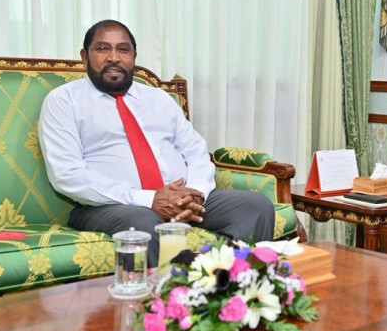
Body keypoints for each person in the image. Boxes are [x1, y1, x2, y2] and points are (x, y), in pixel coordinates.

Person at [38, 19, 275, 267]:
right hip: (110, 206)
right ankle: (169, 292)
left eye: (123, 49)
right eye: (102, 48)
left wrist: (195, 195)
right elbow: (67, 174)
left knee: (255, 206)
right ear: (84, 57)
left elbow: (195, 151)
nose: (114, 58)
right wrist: (148, 199)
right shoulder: (64, 101)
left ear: (134, 57)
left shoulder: (158, 98)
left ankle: (228, 283)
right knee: (144, 223)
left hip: (182, 199)